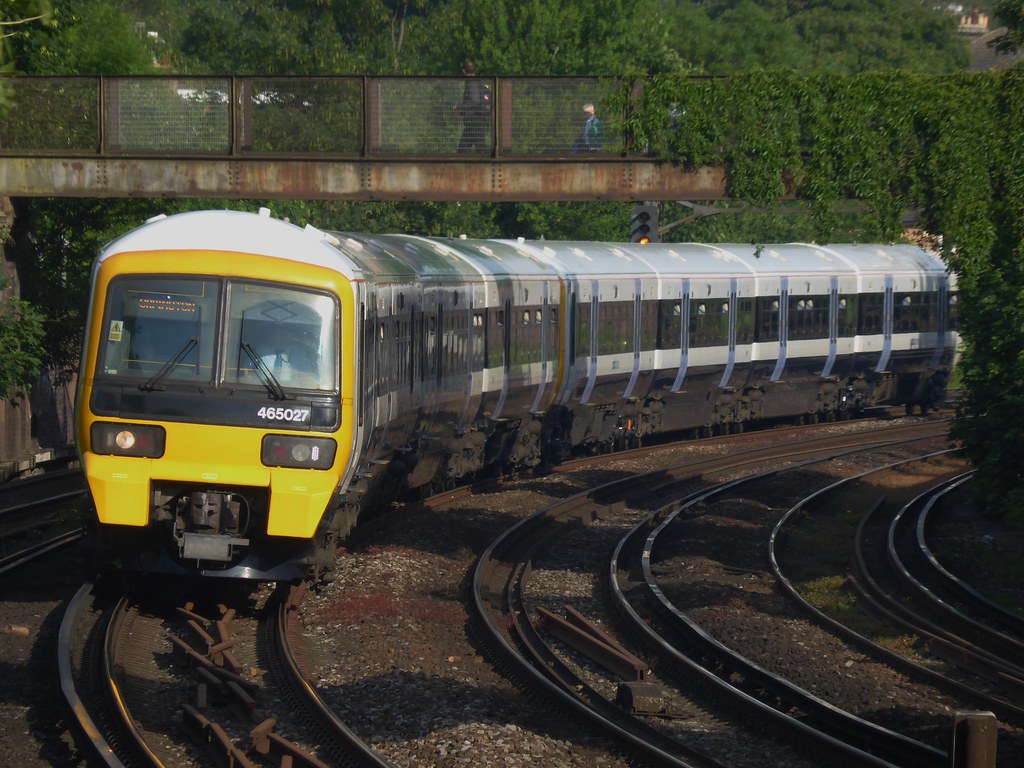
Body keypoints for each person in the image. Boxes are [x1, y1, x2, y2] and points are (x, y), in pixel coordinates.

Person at [457, 61, 491, 154]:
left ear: (464, 71)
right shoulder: (479, 82)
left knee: (480, 149)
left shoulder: (472, 83)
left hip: (475, 121)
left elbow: (474, 102)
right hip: (474, 122)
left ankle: (488, 165)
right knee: (463, 149)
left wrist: (460, 107)